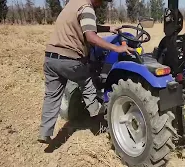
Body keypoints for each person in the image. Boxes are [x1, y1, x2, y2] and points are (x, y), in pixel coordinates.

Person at [38, 0, 134, 144]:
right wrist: (116, 48)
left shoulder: (72, 4)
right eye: (101, 1)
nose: (101, 4)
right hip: (69, 59)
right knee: (86, 81)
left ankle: (44, 132)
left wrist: (108, 28)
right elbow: (90, 37)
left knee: (52, 96)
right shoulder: (86, 8)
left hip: (51, 59)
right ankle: (97, 115)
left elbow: (85, 26)